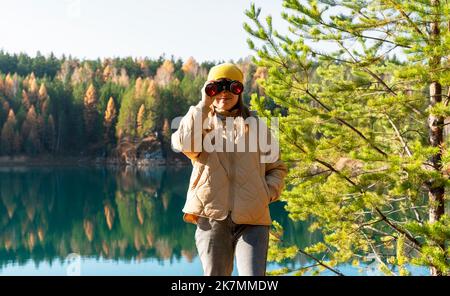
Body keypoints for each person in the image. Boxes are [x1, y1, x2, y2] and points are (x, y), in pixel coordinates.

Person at [171, 63, 287, 276]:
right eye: (218, 87)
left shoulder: (258, 126)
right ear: (209, 89)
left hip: (253, 219)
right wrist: (204, 104)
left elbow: (277, 168)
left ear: (240, 90)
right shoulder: (200, 121)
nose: (224, 94)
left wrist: (265, 193)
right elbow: (184, 143)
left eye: (231, 87)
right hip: (211, 216)